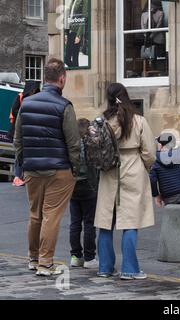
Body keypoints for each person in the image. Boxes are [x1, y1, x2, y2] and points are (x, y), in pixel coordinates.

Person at [14, 58, 80, 276]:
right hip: (58, 170)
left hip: (32, 169)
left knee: (35, 215)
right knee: (51, 215)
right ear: (62, 79)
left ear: (45, 78)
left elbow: (18, 140)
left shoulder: (26, 103)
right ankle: (45, 263)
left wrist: (23, 164)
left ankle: (33, 259)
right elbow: (73, 143)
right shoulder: (64, 106)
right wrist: (75, 169)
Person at [94, 83, 156, 280]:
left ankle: (105, 266)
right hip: (132, 168)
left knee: (105, 222)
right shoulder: (138, 120)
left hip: (109, 170)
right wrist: (145, 167)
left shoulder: (103, 121)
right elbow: (149, 152)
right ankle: (130, 269)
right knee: (131, 221)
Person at [69, 118, 99, 269]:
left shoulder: (71, 143)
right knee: (89, 223)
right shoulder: (91, 143)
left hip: (73, 185)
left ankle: (75, 256)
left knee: (75, 223)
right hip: (89, 185)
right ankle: (89, 257)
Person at [8, 81, 40, 187]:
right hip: (18, 130)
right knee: (19, 153)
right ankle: (17, 177)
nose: (33, 92)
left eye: (35, 90)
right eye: (32, 90)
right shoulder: (20, 97)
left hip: (28, 131)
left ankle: (23, 176)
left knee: (26, 154)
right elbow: (14, 110)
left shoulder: (36, 98)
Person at [65, 0, 90, 68]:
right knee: (66, 59)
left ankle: (77, 74)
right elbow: (69, 16)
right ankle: (75, 69)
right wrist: (66, 33)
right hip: (70, 32)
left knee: (75, 58)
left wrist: (78, 35)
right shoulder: (73, 1)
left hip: (76, 32)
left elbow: (84, 17)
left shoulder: (84, 1)